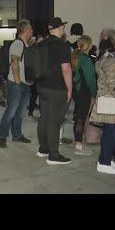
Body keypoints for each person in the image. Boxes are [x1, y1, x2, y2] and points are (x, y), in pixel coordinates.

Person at [35, 17, 73, 165]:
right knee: (54, 122)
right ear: (59, 28)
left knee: (44, 118)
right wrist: (69, 88)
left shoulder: (41, 43)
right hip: (57, 88)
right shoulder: (62, 45)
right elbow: (66, 69)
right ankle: (53, 155)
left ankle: (43, 149)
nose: (64, 28)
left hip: (42, 87)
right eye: (63, 26)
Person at [89, 34, 115, 174]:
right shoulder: (111, 60)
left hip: (108, 98)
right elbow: (112, 84)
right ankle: (104, 162)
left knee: (109, 131)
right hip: (111, 99)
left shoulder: (105, 56)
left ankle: (106, 159)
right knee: (111, 132)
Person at [0, 19, 33, 148]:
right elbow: (14, 63)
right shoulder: (18, 44)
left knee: (20, 111)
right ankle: (2, 136)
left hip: (24, 83)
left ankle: (17, 135)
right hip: (16, 83)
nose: (32, 31)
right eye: (30, 28)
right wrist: (18, 81)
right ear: (25, 30)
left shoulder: (25, 44)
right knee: (11, 111)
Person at [71, 35, 97, 156]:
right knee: (81, 118)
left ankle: (77, 142)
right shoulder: (86, 60)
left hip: (76, 91)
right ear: (89, 46)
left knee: (78, 117)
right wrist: (95, 93)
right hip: (84, 92)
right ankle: (78, 144)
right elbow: (90, 79)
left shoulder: (76, 57)